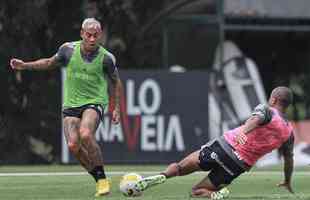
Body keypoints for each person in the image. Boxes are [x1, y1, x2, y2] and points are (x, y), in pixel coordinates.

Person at [10, 18, 122, 197]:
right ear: (82, 34)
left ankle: (102, 179)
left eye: (96, 35)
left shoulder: (107, 58)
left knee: (86, 133)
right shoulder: (68, 50)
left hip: (95, 101)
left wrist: (116, 108)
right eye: (88, 35)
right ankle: (98, 178)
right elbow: (48, 63)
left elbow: (116, 82)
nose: (92, 39)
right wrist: (25, 65)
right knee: (73, 145)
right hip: (71, 104)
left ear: (100, 35)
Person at [134, 86, 295, 199]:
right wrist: (287, 180)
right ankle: (214, 196)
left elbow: (256, 119)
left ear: (273, 99)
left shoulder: (267, 110)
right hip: (237, 165)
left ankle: (162, 176)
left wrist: (243, 132)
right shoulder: (288, 132)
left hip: (224, 147)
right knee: (196, 192)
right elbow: (289, 159)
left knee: (179, 168)